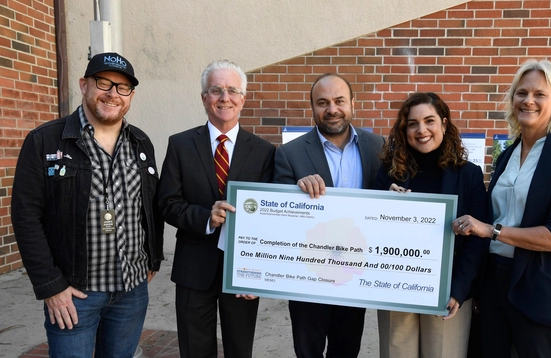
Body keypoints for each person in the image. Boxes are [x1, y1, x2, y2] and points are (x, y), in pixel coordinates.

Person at [11, 52, 164, 357]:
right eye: (103, 83)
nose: (113, 94)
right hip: (75, 293)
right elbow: (26, 216)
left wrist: (153, 258)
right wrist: (50, 286)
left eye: (123, 88)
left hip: (131, 291)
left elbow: (151, 205)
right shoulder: (45, 141)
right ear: (84, 85)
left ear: (131, 95)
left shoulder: (140, 143)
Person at [453, 59, 551, 357]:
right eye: (521, 93)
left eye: (539, 94)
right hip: (495, 282)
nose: (528, 100)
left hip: (540, 284)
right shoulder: (508, 154)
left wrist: (491, 231)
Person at [158, 60, 275, 358]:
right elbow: (167, 203)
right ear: (203, 98)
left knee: (239, 349)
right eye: (216, 90)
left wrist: (259, 272)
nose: (225, 97)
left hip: (242, 269)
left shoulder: (264, 152)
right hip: (193, 269)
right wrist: (205, 218)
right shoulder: (180, 144)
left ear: (243, 98)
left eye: (232, 90)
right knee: (195, 350)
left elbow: (270, 217)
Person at [274, 73, 385, 358]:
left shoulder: (378, 147)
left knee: (346, 349)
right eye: (322, 102)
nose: (332, 109)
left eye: (339, 101)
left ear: (352, 104)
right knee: (308, 350)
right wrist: (296, 192)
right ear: (312, 107)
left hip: (354, 273)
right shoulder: (290, 154)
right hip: (308, 274)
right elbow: (278, 217)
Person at [374, 92, 488, 357]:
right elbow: (370, 230)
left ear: (444, 124)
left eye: (429, 121)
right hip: (396, 288)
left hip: (448, 292)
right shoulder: (389, 172)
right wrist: (384, 205)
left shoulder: (468, 174)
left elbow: (476, 242)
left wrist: (458, 291)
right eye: (412, 123)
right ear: (404, 130)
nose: (421, 130)